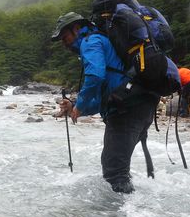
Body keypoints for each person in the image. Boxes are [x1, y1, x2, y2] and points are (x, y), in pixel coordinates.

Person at [51, 12, 159, 194]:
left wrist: (80, 105)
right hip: (140, 105)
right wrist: (75, 106)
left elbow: (95, 77)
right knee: (117, 167)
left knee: (114, 171)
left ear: (77, 28)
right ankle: (130, 210)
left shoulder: (90, 42)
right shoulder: (100, 41)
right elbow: (105, 97)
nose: (64, 43)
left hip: (127, 110)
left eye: (65, 36)